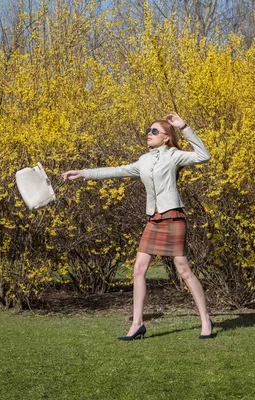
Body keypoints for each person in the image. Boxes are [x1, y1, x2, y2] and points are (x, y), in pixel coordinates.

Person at [61, 112, 214, 340]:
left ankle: (205, 320)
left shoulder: (174, 155)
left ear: (166, 138)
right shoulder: (143, 160)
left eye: (154, 131)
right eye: (148, 131)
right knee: (138, 269)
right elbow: (116, 171)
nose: (148, 135)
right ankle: (137, 323)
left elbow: (204, 155)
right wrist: (83, 173)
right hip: (153, 219)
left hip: (172, 217)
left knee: (183, 270)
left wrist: (184, 127)